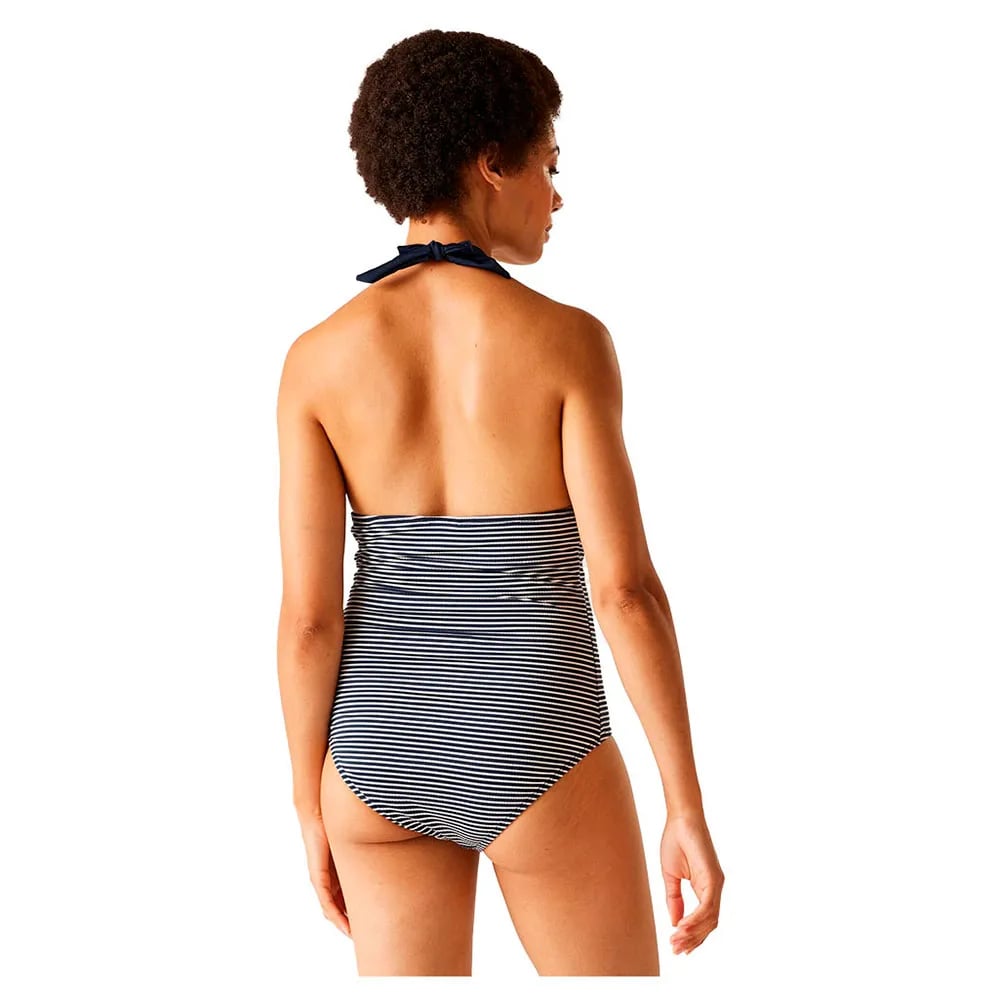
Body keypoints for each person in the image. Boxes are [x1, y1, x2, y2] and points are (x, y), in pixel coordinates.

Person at [276, 28, 724, 977]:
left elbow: (311, 621)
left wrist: (311, 805)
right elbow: (625, 592)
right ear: (492, 163)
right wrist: (684, 803)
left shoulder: (315, 360)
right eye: (549, 166)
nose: (556, 197)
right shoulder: (567, 342)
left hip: (376, 748)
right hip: (535, 734)